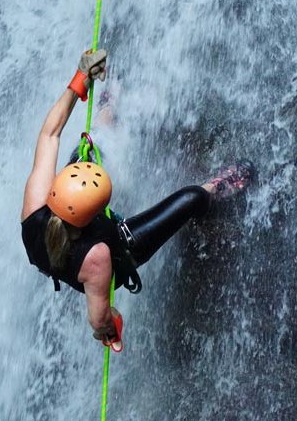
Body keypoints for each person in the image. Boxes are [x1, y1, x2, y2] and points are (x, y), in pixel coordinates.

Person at [21, 49, 253, 351]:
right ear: (99, 216)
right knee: (192, 198)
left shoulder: (35, 207)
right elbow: (98, 321)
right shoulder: (98, 257)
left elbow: (49, 134)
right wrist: (112, 325)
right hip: (121, 251)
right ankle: (214, 188)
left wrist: (79, 79)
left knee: (90, 148)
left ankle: (106, 114)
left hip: (65, 239)